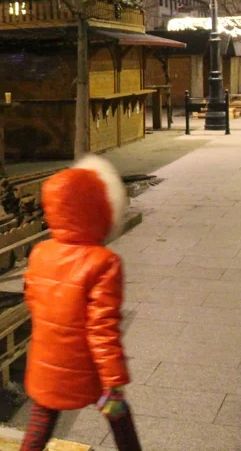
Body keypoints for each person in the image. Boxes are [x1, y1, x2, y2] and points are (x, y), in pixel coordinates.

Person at [21, 156, 142, 451]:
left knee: (43, 416)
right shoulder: (103, 262)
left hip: (47, 359)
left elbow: (32, 299)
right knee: (118, 414)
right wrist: (113, 380)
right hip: (88, 369)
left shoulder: (40, 252)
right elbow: (103, 329)